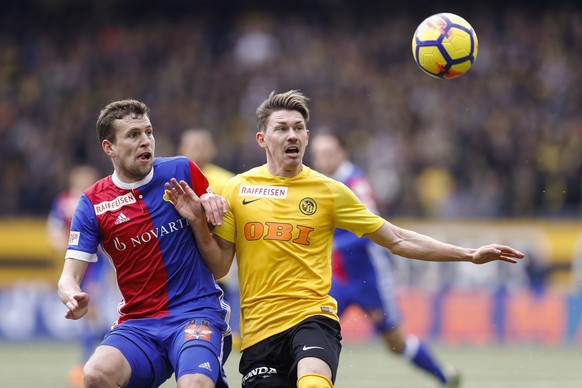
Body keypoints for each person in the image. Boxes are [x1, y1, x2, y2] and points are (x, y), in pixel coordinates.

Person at [164, 90, 524, 388]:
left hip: (313, 316)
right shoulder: (237, 189)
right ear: (262, 139)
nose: (292, 135)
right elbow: (221, 265)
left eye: (299, 128)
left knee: (315, 381)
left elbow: (396, 238)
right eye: (282, 128)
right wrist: (198, 224)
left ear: (306, 136)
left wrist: (469, 254)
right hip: (259, 330)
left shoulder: (330, 191)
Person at [57, 99, 232, 388]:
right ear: (108, 147)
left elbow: (220, 265)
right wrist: (71, 294)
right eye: (133, 135)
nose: (145, 141)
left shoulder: (182, 172)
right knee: (95, 374)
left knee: (195, 384)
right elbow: (68, 276)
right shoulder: (92, 203)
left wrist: (201, 218)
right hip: (139, 323)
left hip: (195, 313)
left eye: (148, 132)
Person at [309, 131, 459, 386]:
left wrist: (327, 244)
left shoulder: (356, 184)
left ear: (344, 154)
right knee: (312, 332)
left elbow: (370, 230)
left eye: (328, 154)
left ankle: (444, 376)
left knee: (395, 343)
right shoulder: (318, 183)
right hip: (338, 280)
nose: (322, 161)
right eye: (318, 155)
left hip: (371, 280)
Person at [48, 165, 116, 388]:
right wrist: (69, 246)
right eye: (81, 175)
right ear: (73, 178)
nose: (85, 178)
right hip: (78, 264)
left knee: (93, 312)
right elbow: (54, 231)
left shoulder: (98, 199)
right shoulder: (64, 201)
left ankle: (87, 362)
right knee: (91, 315)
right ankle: (89, 361)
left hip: (96, 265)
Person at [178, 129, 240, 347]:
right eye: (191, 146)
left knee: (225, 298)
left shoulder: (226, 181)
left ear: (211, 149)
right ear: (181, 150)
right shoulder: (173, 181)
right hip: (183, 261)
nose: (197, 151)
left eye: (202, 146)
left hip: (217, 257)